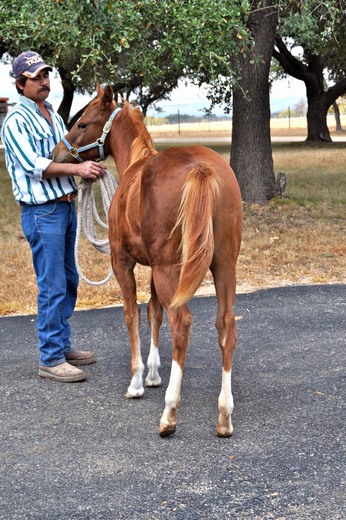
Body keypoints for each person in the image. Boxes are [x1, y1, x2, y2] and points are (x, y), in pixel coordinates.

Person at [1, 51, 106, 383]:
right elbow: (34, 165)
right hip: (42, 212)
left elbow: (67, 153)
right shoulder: (15, 121)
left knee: (69, 280)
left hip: (65, 207)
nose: (44, 81)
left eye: (46, 75)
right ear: (20, 84)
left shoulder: (53, 117)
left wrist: (84, 170)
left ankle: (61, 345)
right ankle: (50, 358)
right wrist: (77, 168)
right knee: (52, 285)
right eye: (36, 77)